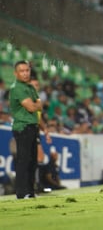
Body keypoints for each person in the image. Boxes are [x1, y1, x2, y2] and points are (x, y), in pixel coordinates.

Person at [8, 60, 43, 199]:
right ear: (15, 73)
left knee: (33, 161)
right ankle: (21, 193)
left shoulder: (30, 87)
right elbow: (32, 107)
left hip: (32, 126)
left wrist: (37, 104)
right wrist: (37, 104)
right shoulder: (17, 88)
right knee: (24, 160)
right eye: (21, 71)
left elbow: (40, 105)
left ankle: (30, 191)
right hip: (22, 127)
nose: (25, 73)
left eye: (27, 70)